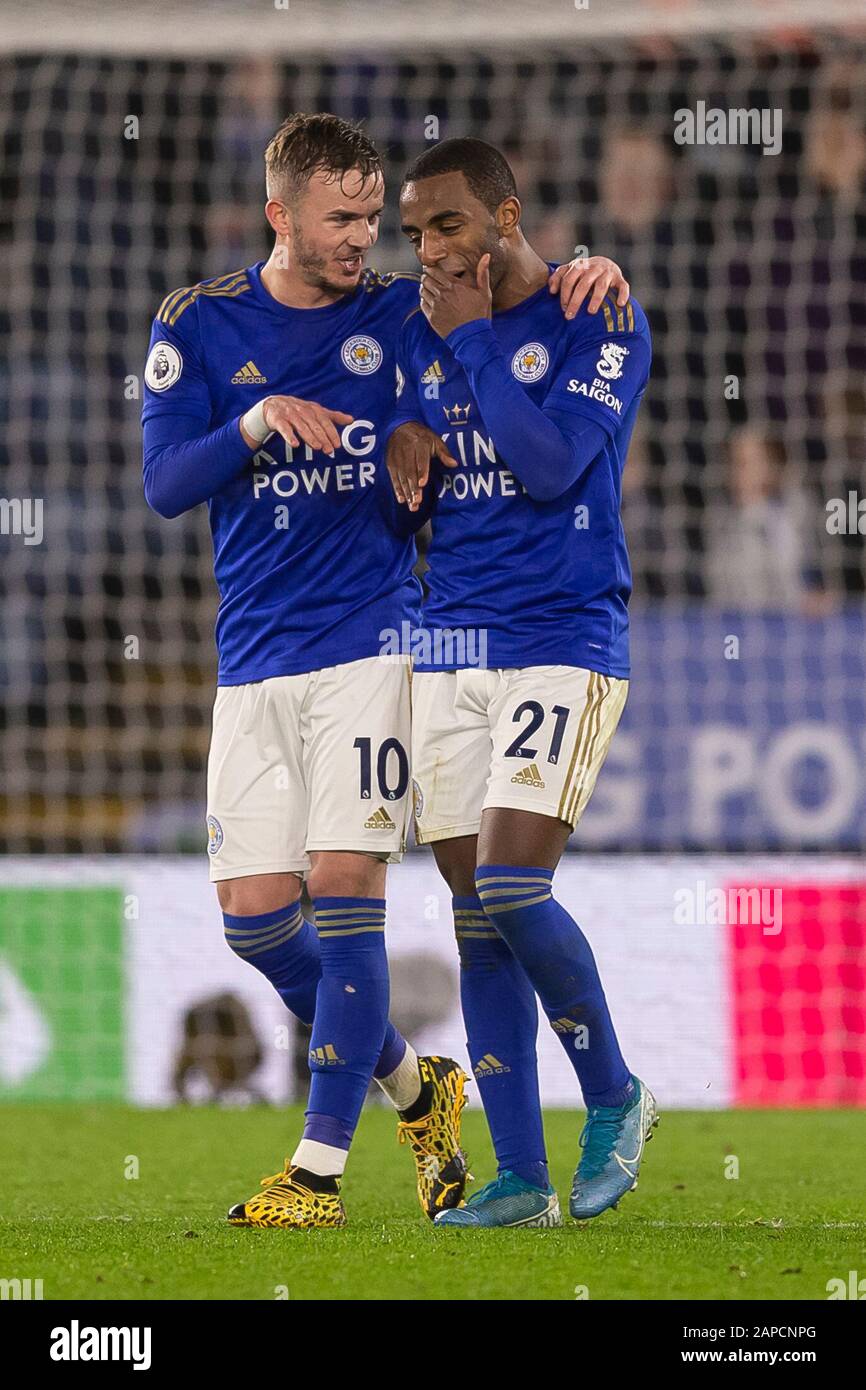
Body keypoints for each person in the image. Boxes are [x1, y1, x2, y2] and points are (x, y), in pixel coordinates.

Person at [141, 112, 631, 1229]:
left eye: (376, 217)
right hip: (252, 658)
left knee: (354, 893)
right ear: (280, 214)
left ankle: (316, 1171)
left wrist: (584, 270)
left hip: (378, 643)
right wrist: (258, 422)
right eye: (343, 219)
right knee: (257, 921)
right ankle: (419, 1093)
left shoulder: (404, 315)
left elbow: (511, 314)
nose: (367, 238)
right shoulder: (200, 326)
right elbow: (166, 484)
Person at [386, 137, 656, 1228]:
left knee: (509, 884)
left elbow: (548, 471)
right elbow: (393, 448)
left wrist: (480, 342)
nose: (426, 251)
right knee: (473, 916)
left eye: (444, 226)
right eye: (412, 234)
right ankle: (520, 1179)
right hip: (449, 644)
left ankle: (617, 1094)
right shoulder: (413, 329)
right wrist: (402, 436)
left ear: (504, 216)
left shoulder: (599, 317)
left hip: (562, 636)